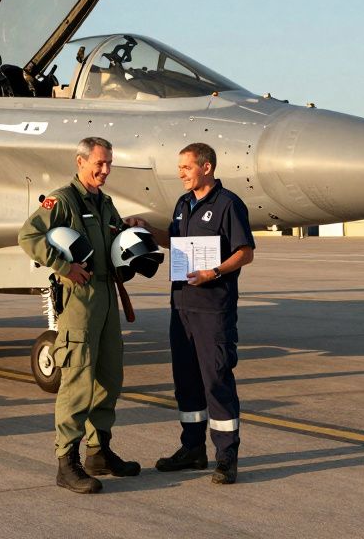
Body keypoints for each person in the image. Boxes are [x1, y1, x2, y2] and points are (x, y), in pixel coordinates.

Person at [125, 142, 254, 485]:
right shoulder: (183, 204)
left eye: (186, 167)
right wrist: (145, 229)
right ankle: (192, 449)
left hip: (213, 309)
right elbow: (173, 240)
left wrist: (215, 272)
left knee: (216, 382)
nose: (180, 172)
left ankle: (226, 458)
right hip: (180, 306)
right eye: (179, 167)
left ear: (206, 167)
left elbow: (245, 252)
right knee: (186, 383)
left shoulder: (228, 205)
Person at [19, 137, 140, 494]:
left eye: (108, 164)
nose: (105, 171)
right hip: (78, 300)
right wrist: (63, 266)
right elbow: (29, 235)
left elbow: (116, 242)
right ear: (81, 162)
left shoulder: (105, 204)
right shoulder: (64, 200)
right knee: (77, 382)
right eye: (99, 164)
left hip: (106, 296)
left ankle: (98, 452)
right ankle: (66, 462)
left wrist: (130, 232)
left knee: (108, 377)